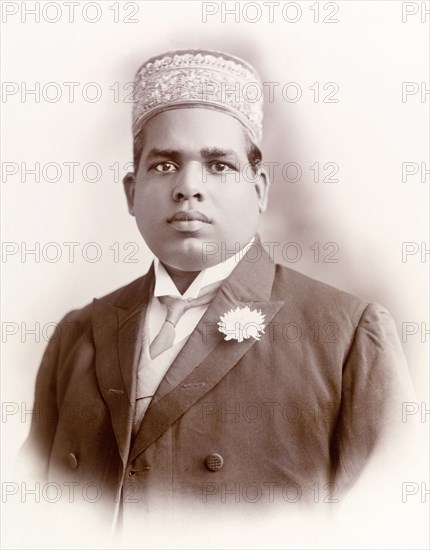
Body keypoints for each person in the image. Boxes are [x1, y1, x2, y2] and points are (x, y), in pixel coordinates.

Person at [21, 49, 413, 531]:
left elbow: (389, 525)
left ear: (260, 188)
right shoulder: (77, 334)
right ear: (131, 191)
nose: (188, 187)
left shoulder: (347, 336)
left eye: (219, 165)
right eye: (164, 165)